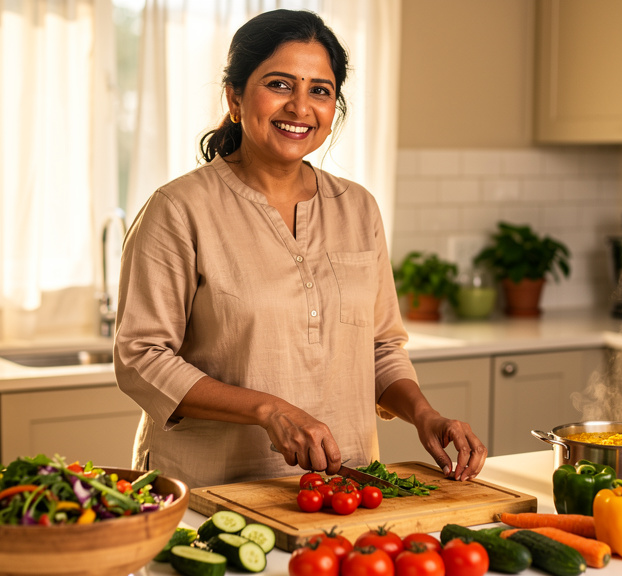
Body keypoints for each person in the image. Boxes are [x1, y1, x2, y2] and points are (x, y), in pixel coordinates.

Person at [113, 9, 486, 489]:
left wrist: (424, 415)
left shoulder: (358, 208)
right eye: (280, 84)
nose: (300, 107)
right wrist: (269, 410)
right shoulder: (178, 209)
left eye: (320, 91)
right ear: (235, 97)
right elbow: (141, 357)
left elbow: (379, 347)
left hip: (342, 486)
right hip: (212, 488)